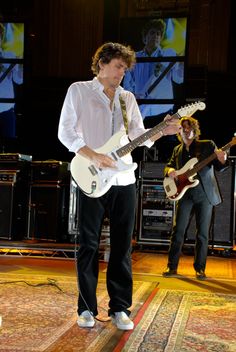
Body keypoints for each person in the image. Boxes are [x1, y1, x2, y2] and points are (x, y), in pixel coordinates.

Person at [58, 42, 180, 330]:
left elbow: (138, 135)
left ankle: (119, 308)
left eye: (125, 69)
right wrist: (94, 155)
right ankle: (86, 308)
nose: (122, 73)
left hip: (124, 178)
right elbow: (65, 132)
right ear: (101, 63)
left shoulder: (128, 98)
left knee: (123, 246)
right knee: (88, 244)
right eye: (118, 66)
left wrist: (161, 130)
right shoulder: (79, 91)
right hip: (91, 175)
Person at [162, 116, 228, 280]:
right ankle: (171, 267)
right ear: (179, 132)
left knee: (202, 234)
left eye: (188, 127)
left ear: (194, 130)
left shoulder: (207, 145)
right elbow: (169, 165)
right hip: (184, 195)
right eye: (183, 128)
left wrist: (222, 160)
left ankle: (200, 269)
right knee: (178, 231)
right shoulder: (177, 150)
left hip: (204, 195)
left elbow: (219, 168)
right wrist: (169, 171)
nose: (186, 131)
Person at [122, 18, 184, 121]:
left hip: (163, 112)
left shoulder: (168, 55)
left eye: (158, 34)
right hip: (140, 112)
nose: (156, 36)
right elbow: (127, 84)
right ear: (145, 38)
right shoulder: (133, 58)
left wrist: (181, 65)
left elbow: (178, 79)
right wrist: (133, 97)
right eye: (152, 33)